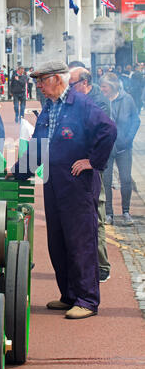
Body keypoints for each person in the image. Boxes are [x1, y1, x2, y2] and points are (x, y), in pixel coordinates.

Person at [7, 60, 117, 319]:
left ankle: (87, 300)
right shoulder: (49, 107)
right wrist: (19, 171)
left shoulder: (81, 104)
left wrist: (93, 161)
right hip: (55, 183)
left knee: (80, 242)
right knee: (58, 241)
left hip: (78, 186)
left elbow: (108, 129)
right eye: (37, 82)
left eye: (42, 81)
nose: (39, 87)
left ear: (58, 79)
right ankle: (69, 295)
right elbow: (37, 145)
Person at [69, 67, 111, 283]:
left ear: (84, 83)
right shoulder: (78, 101)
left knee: (97, 216)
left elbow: (107, 133)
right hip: (78, 168)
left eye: (72, 84)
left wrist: (92, 161)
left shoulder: (97, 102)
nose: (69, 88)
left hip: (93, 169)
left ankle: (102, 266)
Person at [100, 72, 140, 225]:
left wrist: (128, 139)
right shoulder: (102, 101)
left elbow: (135, 120)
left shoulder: (127, 99)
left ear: (112, 86)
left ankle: (126, 211)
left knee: (125, 179)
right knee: (107, 181)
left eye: (104, 86)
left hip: (124, 147)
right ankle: (109, 213)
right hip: (107, 147)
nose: (102, 89)